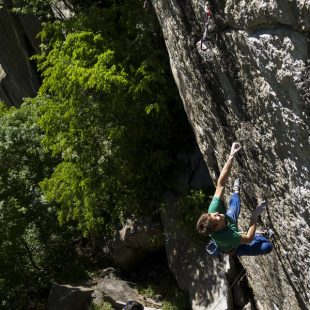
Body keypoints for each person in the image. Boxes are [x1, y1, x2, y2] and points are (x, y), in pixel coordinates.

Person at [196, 142, 273, 256]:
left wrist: (231, 155)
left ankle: (235, 191)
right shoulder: (228, 237)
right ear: (216, 227)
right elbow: (248, 239)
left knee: (233, 206)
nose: (218, 214)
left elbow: (220, 184)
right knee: (267, 247)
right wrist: (254, 216)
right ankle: (261, 235)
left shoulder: (213, 212)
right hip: (235, 247)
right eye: (217, 217)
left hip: (229, 228)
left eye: (214, 214)